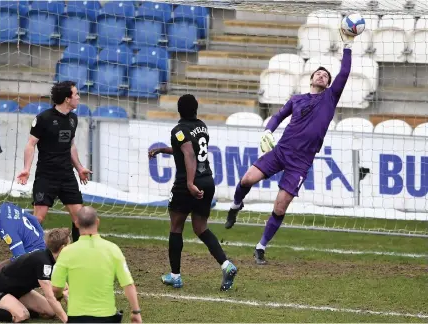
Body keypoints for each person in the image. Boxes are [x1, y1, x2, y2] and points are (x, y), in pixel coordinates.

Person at [224, 28, 355, 265]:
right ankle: (235, 206)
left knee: (280, 206)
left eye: (326, 75)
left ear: (328, 84)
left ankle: (260, 247)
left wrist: (348, 45)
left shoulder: (329, 98)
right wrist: (267, 131)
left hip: (301, 163)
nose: (322, 76)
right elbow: (277, 117)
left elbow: (345, 72)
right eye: (319, 73)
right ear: (311, 78)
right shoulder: (297, 99)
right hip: (280, 152)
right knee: (246, 180)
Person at [148, 94, 237, 291]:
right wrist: (163, 149)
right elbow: (188, 149)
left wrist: (189, 182)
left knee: (176, 227)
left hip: (187, 184)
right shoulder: (202, 126)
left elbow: (188, 153)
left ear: (179, 110)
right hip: (207, 181)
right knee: (201, 227)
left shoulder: (178, 130)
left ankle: (175, 276)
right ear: (196, 109)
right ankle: (226, 264)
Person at [16, 81, 92, 242]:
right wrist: (26, 169)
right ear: (67, 99)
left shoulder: (73, 119)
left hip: (67, 176)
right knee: (38, 219)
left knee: (79, 218)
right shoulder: (43, 118)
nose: (78, 97)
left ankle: (78, 252)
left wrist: (79, 168)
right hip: (46, 176)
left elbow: (71, 146)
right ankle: (27, 251)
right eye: (76, 94)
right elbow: (31, 144)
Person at [51, 206, 142, 323]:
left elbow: (56, 288)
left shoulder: (66, 252)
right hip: (107, 318)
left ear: (77, 223)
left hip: (77, 318)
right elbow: (128, 285)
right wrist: (135, 312)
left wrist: (59, 297)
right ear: (97, 222)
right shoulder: (113, 249)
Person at [0, 228, 70, 323]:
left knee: (51, 312)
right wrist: (66, 320)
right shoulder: (43, 262)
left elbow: (61, 288)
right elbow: (50, 296)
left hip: (19, 292)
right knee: (22, 316)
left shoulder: (52, 259)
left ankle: (15, 305)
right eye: (69, 246)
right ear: (62, 248)